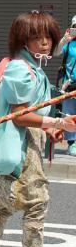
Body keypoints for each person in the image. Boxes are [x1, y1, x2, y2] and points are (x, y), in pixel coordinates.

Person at [0, 11, 73, 247]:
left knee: (1, 207)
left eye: (47, 36)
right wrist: (55, 121)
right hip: (20, 148)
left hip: (15, 145)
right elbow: (19, 115)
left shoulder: (28, 67)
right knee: (36, 203)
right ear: (22, 40)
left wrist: (49, 127)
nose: (44, 42)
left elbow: (29, 114)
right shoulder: (21, 69)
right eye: (36, 37)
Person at [55, 16, 76, 156]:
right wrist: (64, 40)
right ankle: (72, 144)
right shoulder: (68, 44)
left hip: (71, 83)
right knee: (69, 114)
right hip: (70, 86)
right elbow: (54, 52)